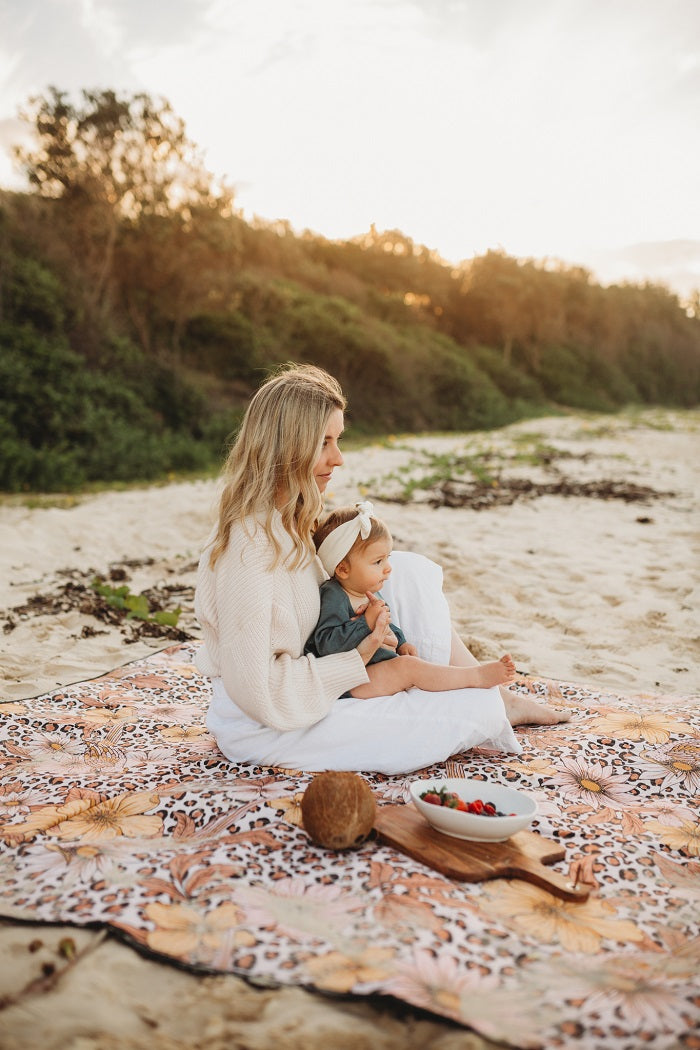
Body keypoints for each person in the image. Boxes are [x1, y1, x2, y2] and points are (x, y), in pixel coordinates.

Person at [194, 363, 568, 775]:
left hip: (319, 668)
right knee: (459, 716)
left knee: (405, 571)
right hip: (268, 718)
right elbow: (258, 690)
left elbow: (331, 592)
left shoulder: (292, 517)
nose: (338, 458)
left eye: (338, 440)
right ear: (285, 448)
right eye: (324, 443)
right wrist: (360, 657)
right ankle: (486, 703)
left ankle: (494, 696)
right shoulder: (250, 547)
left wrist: (366, 619)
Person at [306, 501, 516, 696]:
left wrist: (401, 643)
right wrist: (365, 623)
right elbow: (326, 644)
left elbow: (387, 624)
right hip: (347, 682)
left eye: (387, 558)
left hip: (372, 668)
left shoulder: (368, 591)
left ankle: (464, 683)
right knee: (409, 668)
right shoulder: (334, 595)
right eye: (378, 561)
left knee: (410, 665)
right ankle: (475, 676)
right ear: (343, 569)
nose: (388, 568)